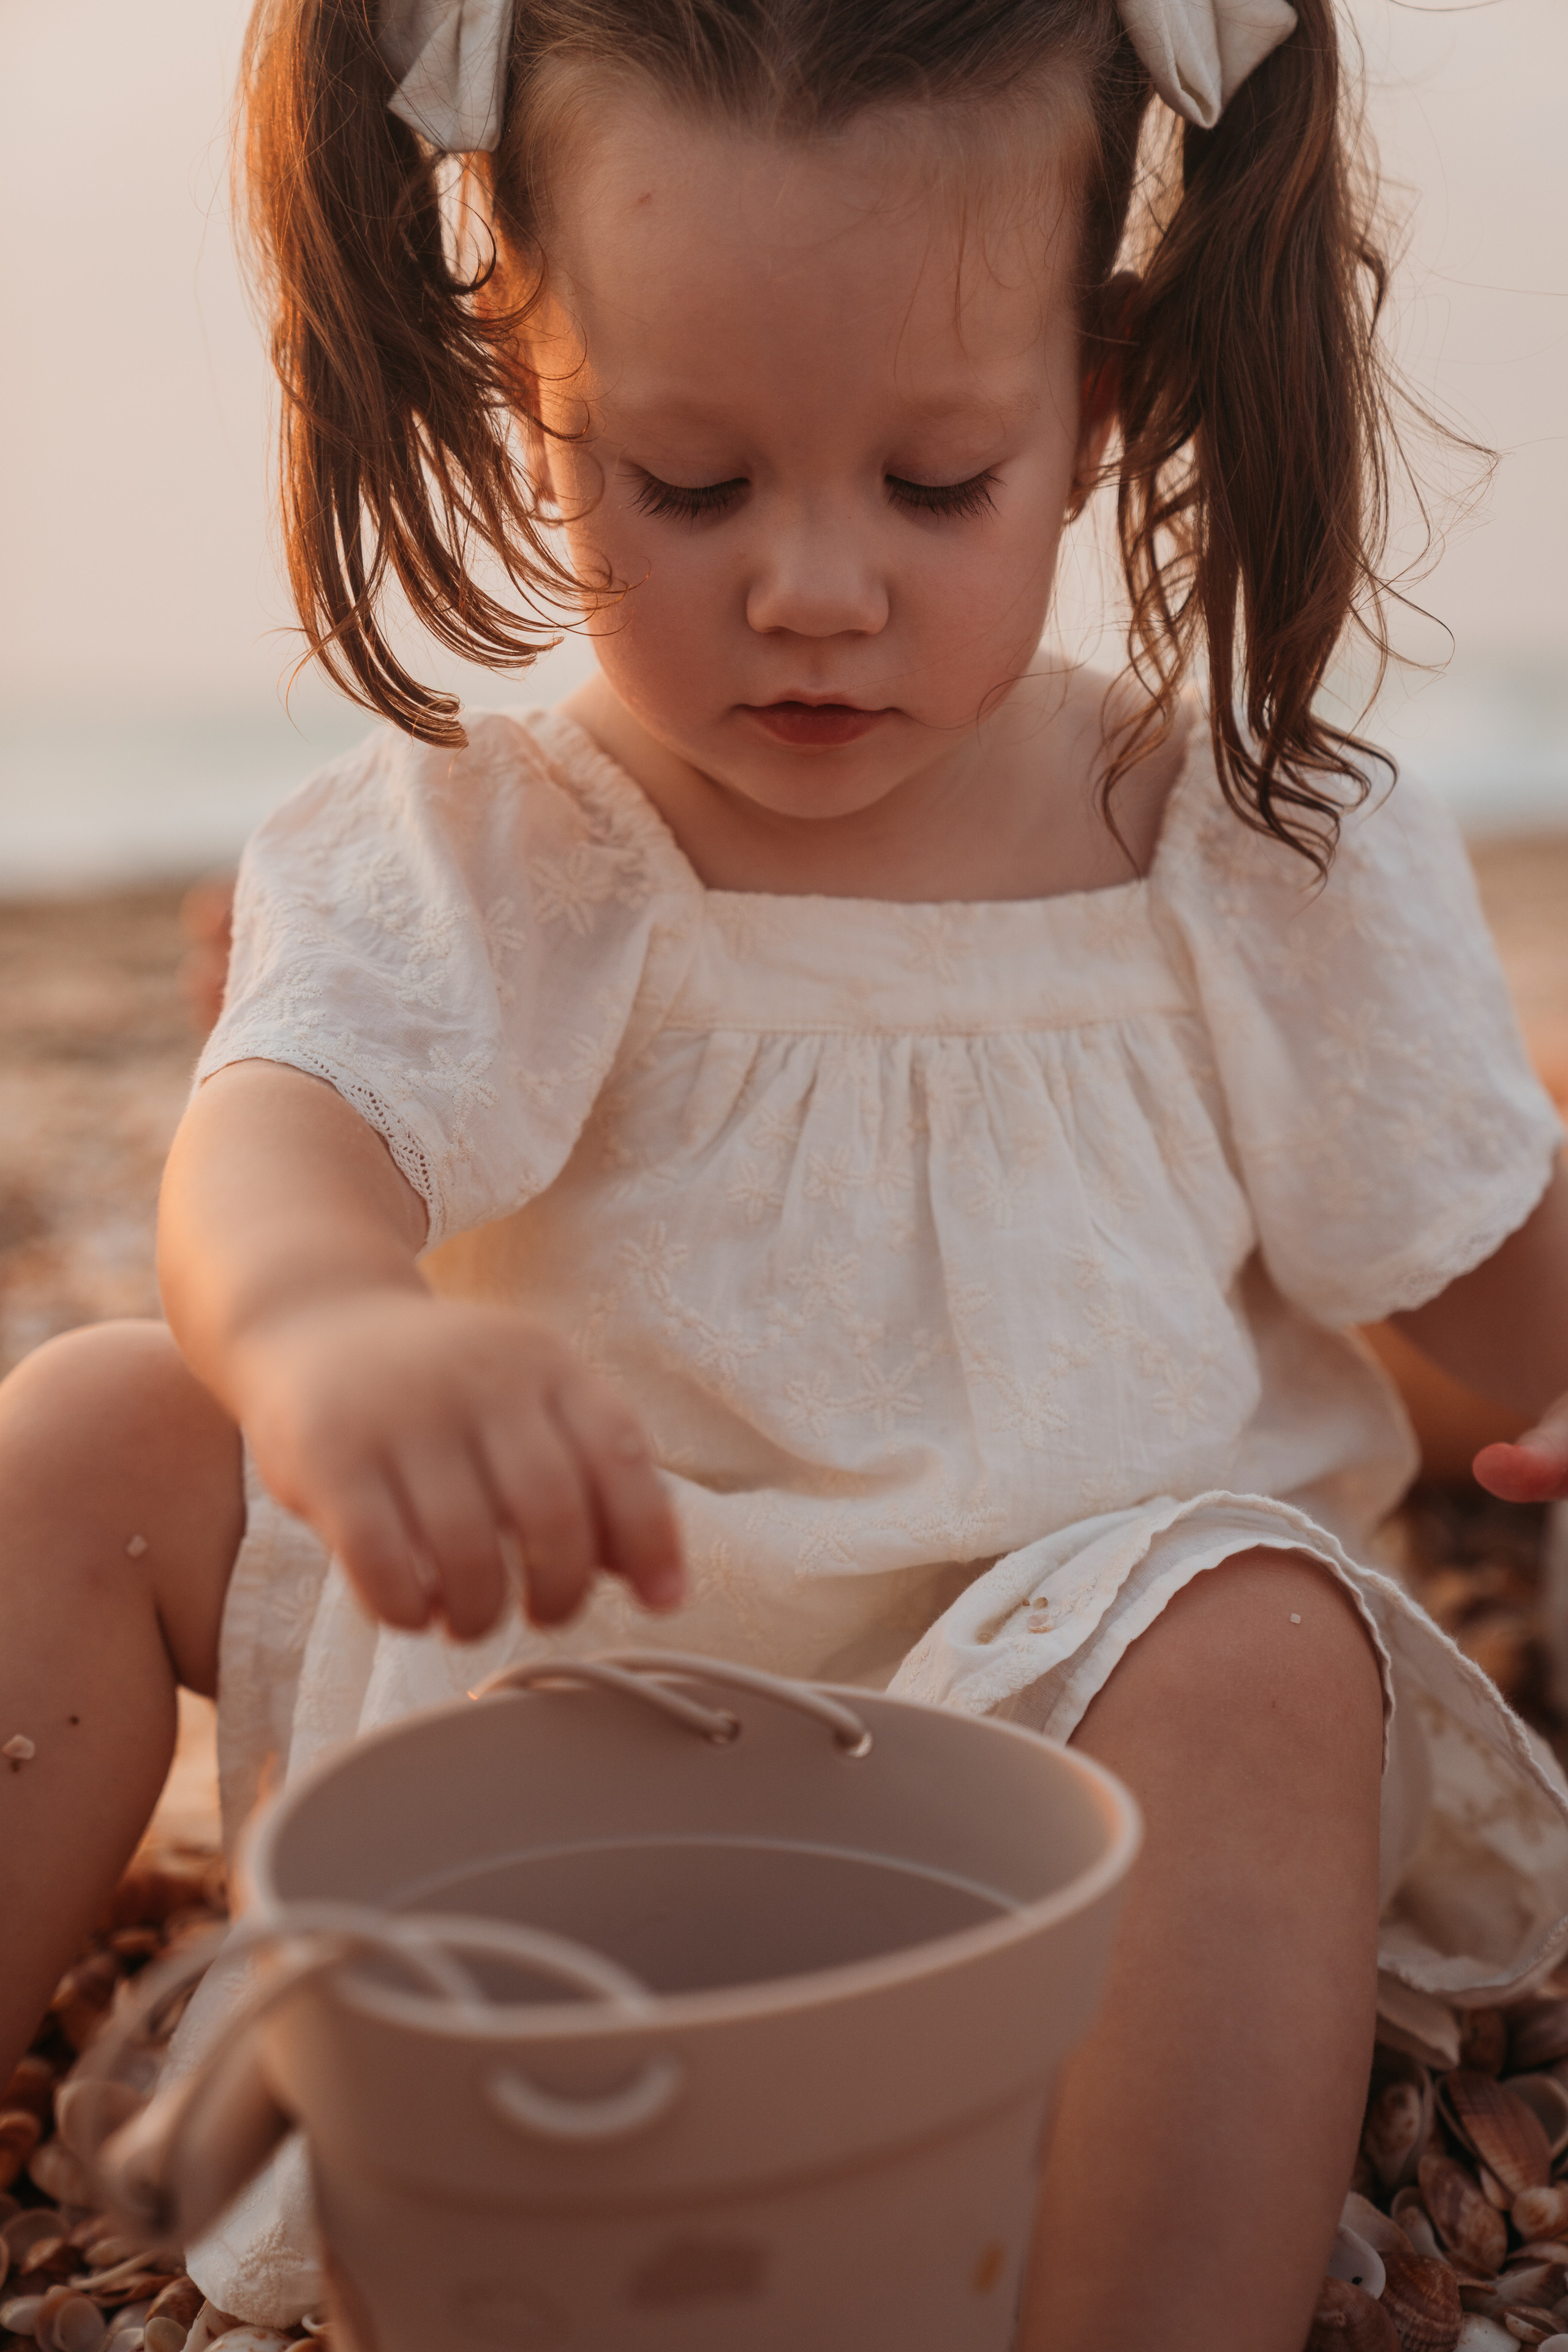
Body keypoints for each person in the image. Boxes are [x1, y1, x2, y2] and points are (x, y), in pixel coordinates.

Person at [4, 0, 1567, 2342]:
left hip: (1062, 1831)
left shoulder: (1248, 855)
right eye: (687, 481)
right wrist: (326, 1328)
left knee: (1259, 1641)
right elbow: (280, 1133)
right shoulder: (511, 846)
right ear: (524, 385)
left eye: (935, 484)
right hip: (554, 1770)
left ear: (1097, 406)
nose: (810, 588)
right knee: (93, 1430)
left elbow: (1485, 1279)